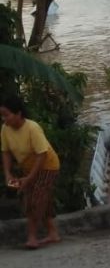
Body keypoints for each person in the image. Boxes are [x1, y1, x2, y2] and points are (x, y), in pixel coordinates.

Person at [1, 96, 61, 249]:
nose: (4, 119)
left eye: (7, 115)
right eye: (2, 115)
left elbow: (42, 154)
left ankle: (32, 237)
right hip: (28, 168)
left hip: (48, 166)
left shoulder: (32, 128)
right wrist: (7, 173)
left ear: (19, 114)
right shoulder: (5, 129)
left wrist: (29, 178)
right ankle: (52, 233)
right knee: (42, 200)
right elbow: (6, 152)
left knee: (34, 200)